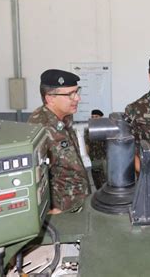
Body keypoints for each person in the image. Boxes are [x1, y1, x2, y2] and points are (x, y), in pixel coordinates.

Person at [28, 69, 90, 214]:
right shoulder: (40, 129)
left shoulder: (64, 118)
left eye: (77, 91)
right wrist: (47, 210)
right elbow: (31, 177)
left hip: (76, 206)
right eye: (70, 94)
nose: (77, 98)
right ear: (50, 98)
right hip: (60, 214)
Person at [85, 109, 107, 189]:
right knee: (97, 183)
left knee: (106, 183)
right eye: (92, 117)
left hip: (105, 160)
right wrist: (88, 159)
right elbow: (87, 146)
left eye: (96, 116)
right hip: (94, 160)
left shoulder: (106, 129)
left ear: (101, 117)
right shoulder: (88, 131)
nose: (94, 118)